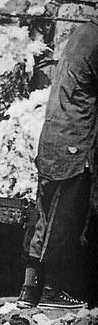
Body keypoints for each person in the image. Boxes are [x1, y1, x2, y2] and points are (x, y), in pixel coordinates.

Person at [19, 17, 98, 309]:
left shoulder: (81, 35)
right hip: (74, 144)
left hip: (53, 137)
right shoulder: (96, 40)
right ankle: (53, 290)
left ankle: (29, 291)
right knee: (65, 220)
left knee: (42, 217)